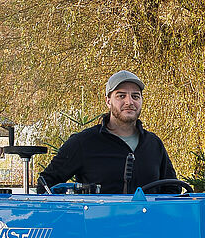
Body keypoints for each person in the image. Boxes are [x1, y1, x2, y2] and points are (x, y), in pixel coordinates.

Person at [37, 71, 179, 194]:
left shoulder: (153, 144)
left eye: (135, 96)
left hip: (147, 224)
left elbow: (172, 190)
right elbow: (46, 184)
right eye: (121, 96)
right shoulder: (84, 142)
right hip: (97, 224)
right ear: (108, 100)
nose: (129, 102)